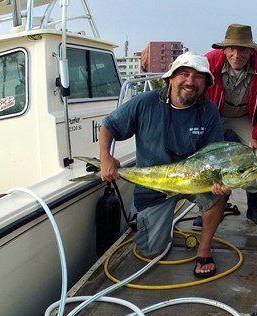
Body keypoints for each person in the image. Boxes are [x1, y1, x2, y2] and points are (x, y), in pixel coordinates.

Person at [99, 52, 230, 278]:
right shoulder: (145, 102)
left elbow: (214, 155)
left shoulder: (208, 111)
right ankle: (158, 225)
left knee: (219, 197)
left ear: (206, 84)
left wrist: (221, 183)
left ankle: (204, 249)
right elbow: (108, 126)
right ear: (170, 78)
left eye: (198, 77)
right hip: (154, 187)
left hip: (194, 180)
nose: (190, 81)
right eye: (184, 74)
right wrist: (105, 158)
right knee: (151, 251)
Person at [206, 23, 257, 229]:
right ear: (224, 49)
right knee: (207, 158)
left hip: (246, 115)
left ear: (252, 50)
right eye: (231, 48)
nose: (237, 55)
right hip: (215, 115)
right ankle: (209, 207)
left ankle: (253, 208)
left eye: (243, 49)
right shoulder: (209, 61)